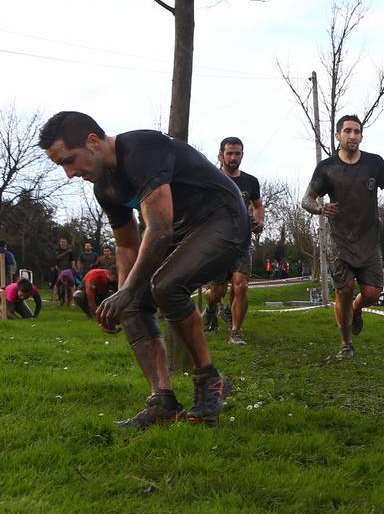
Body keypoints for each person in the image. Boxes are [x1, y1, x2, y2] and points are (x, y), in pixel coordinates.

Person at [40, 111, 247, 426]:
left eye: (70, 160)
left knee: (165, 285)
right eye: (62, 166)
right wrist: (124, 299)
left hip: (224, 219)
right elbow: (126, 246)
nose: (69, 173)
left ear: (93, 141)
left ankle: (210, 380)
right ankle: (162, 400)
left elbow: (160, 228)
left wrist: (127, 291)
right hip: (185, 231)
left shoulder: (141, 149)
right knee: (133, 303)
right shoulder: (104, 189)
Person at [301, 115, 384, 359]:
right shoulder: (327, 167)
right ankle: (346, 344)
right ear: (338, 136)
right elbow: (306, 200)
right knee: (344, 290)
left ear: (361, 136)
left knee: (373, 294)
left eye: (357, 131)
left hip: (368, 239)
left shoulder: (374, 163)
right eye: (347, 131)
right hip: (338, 240)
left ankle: (357, 309)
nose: (352, 135)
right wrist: (320, 209)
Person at [204, 137, 265, 345]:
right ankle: (211, 308)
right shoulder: (210, 178)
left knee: (240, 286)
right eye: (229, 153)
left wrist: (259, 220)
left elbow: (257, 205)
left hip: (242, 240)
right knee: (218, 290)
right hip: (216, 241)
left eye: (237, 153)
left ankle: (235, 333)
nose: (233, 157)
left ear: (242, 155)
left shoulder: (250, 181)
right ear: (221, 154)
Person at [53, 236, 76, 305]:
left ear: (66, 243)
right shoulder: (58, 250)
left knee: (69, 286)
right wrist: (66, 252)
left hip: (68, 269)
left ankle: (69, 301)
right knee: (61, 286)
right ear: (60, 243)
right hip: (60, 269)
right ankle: (62, 299)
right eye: (61, 242)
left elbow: (72, 259)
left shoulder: (70, 251)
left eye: (64, 242)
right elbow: (57, 257)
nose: (63, 243)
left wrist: (73, 267)